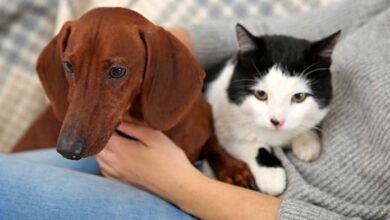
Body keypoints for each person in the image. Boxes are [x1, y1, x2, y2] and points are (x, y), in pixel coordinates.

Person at [1, 0, 390, 219]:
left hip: (220, 203)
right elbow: (262, 29)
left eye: (115, 72)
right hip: (160, 147)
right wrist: (138, 41)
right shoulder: (379, 10)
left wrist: (183, 186)